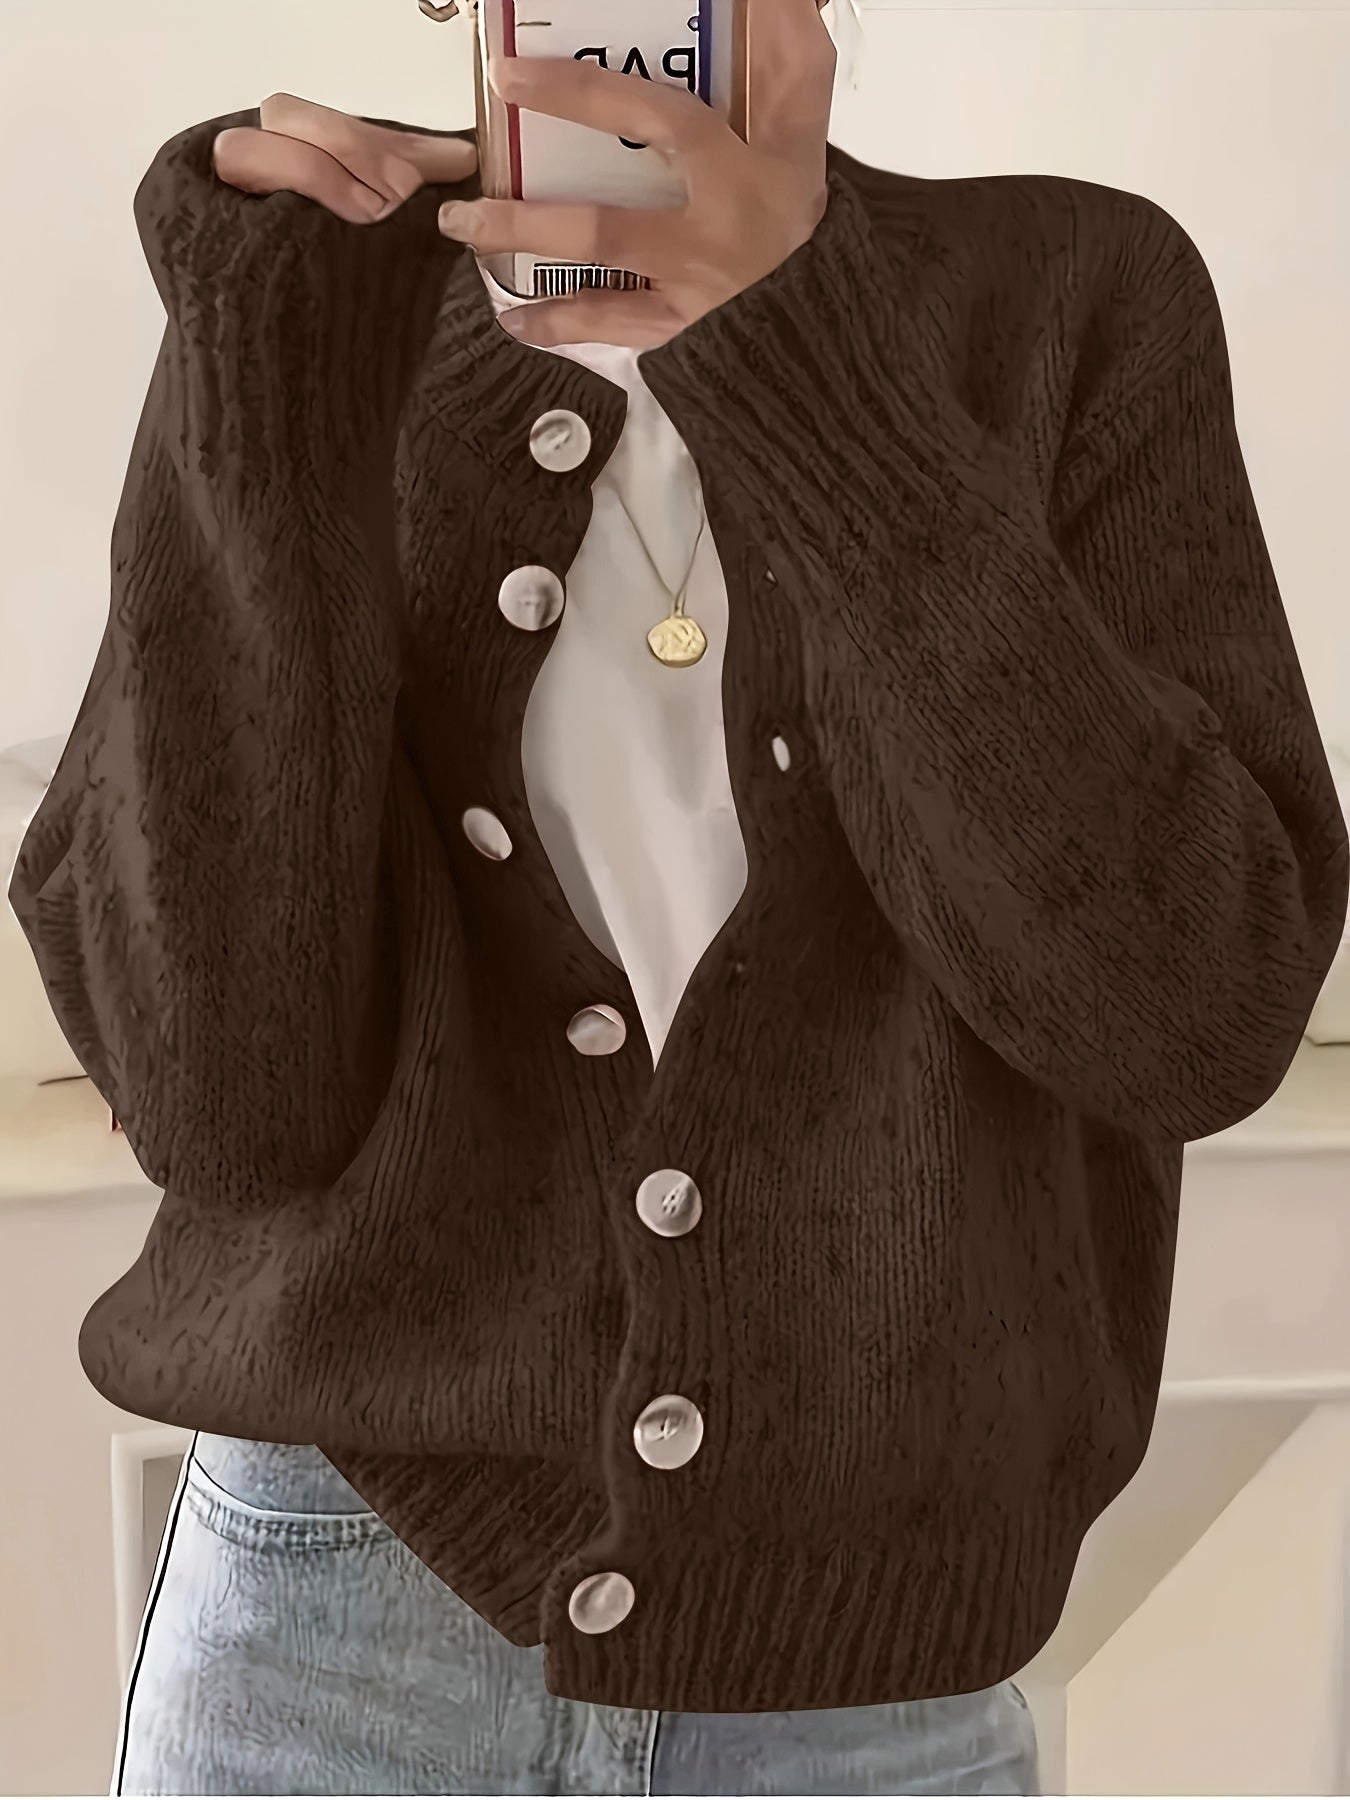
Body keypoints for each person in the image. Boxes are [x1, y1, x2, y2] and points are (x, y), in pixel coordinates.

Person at [9, 0, 1347, 1793]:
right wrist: (259, 372)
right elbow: (222, 1103)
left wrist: (808, 354)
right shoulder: (315, 303)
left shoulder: (1072, 297)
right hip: (329, 1648)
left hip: (869, 1689)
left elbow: (1189, 1015)